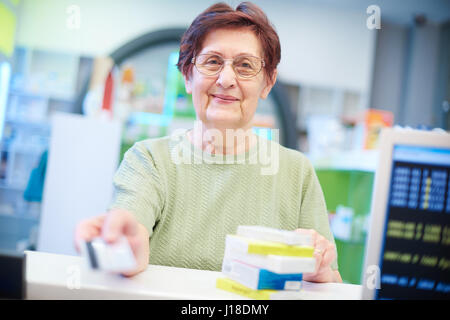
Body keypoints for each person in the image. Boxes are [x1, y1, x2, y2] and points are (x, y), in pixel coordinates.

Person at [75, 1, 342, 283]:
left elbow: (334, 285)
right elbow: (131, 241)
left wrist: (321, 270)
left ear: (268, 82)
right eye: (212, 61)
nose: (226, 79)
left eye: (245, 65)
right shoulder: (149, 160)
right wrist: (121, 247)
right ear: (188, 76)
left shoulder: (296, 173)